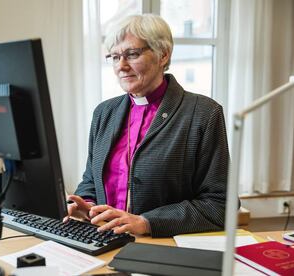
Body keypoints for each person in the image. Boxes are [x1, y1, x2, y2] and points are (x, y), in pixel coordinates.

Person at [65, 14, 229, 237]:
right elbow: (91, 181)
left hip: (161, 246)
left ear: (163, 55)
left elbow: (220, 205)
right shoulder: (104, 113)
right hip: (104, 240)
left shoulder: (203, 113)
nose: (121, 66)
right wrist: (85, 205)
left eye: (131, 54)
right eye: (114, 57)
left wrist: (147, 222)